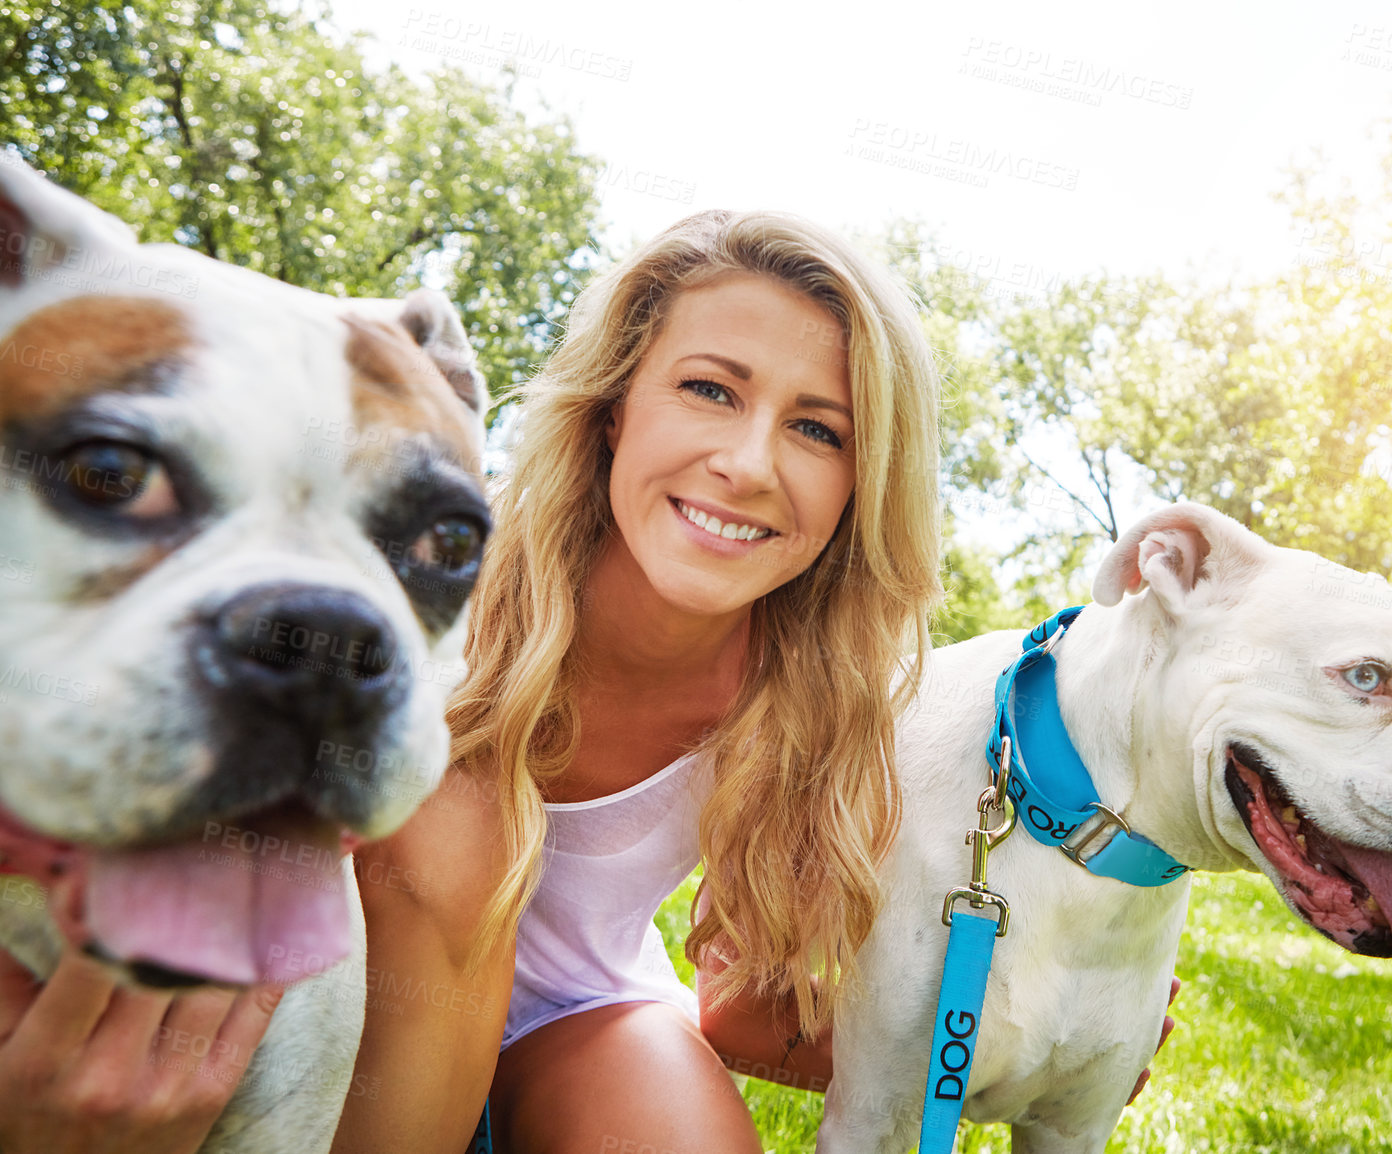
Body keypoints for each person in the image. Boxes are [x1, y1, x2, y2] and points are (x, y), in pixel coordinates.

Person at [336, 208, 947, 1154]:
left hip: (576, 1020)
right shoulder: (444, 570)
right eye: (709, 389)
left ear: (861, 486)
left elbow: (741, 1009)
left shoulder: (810, 699)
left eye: (819, 431)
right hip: (347, 985)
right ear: (616, 406)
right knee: (459, 831)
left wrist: (990, 1040)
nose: (747, 464)